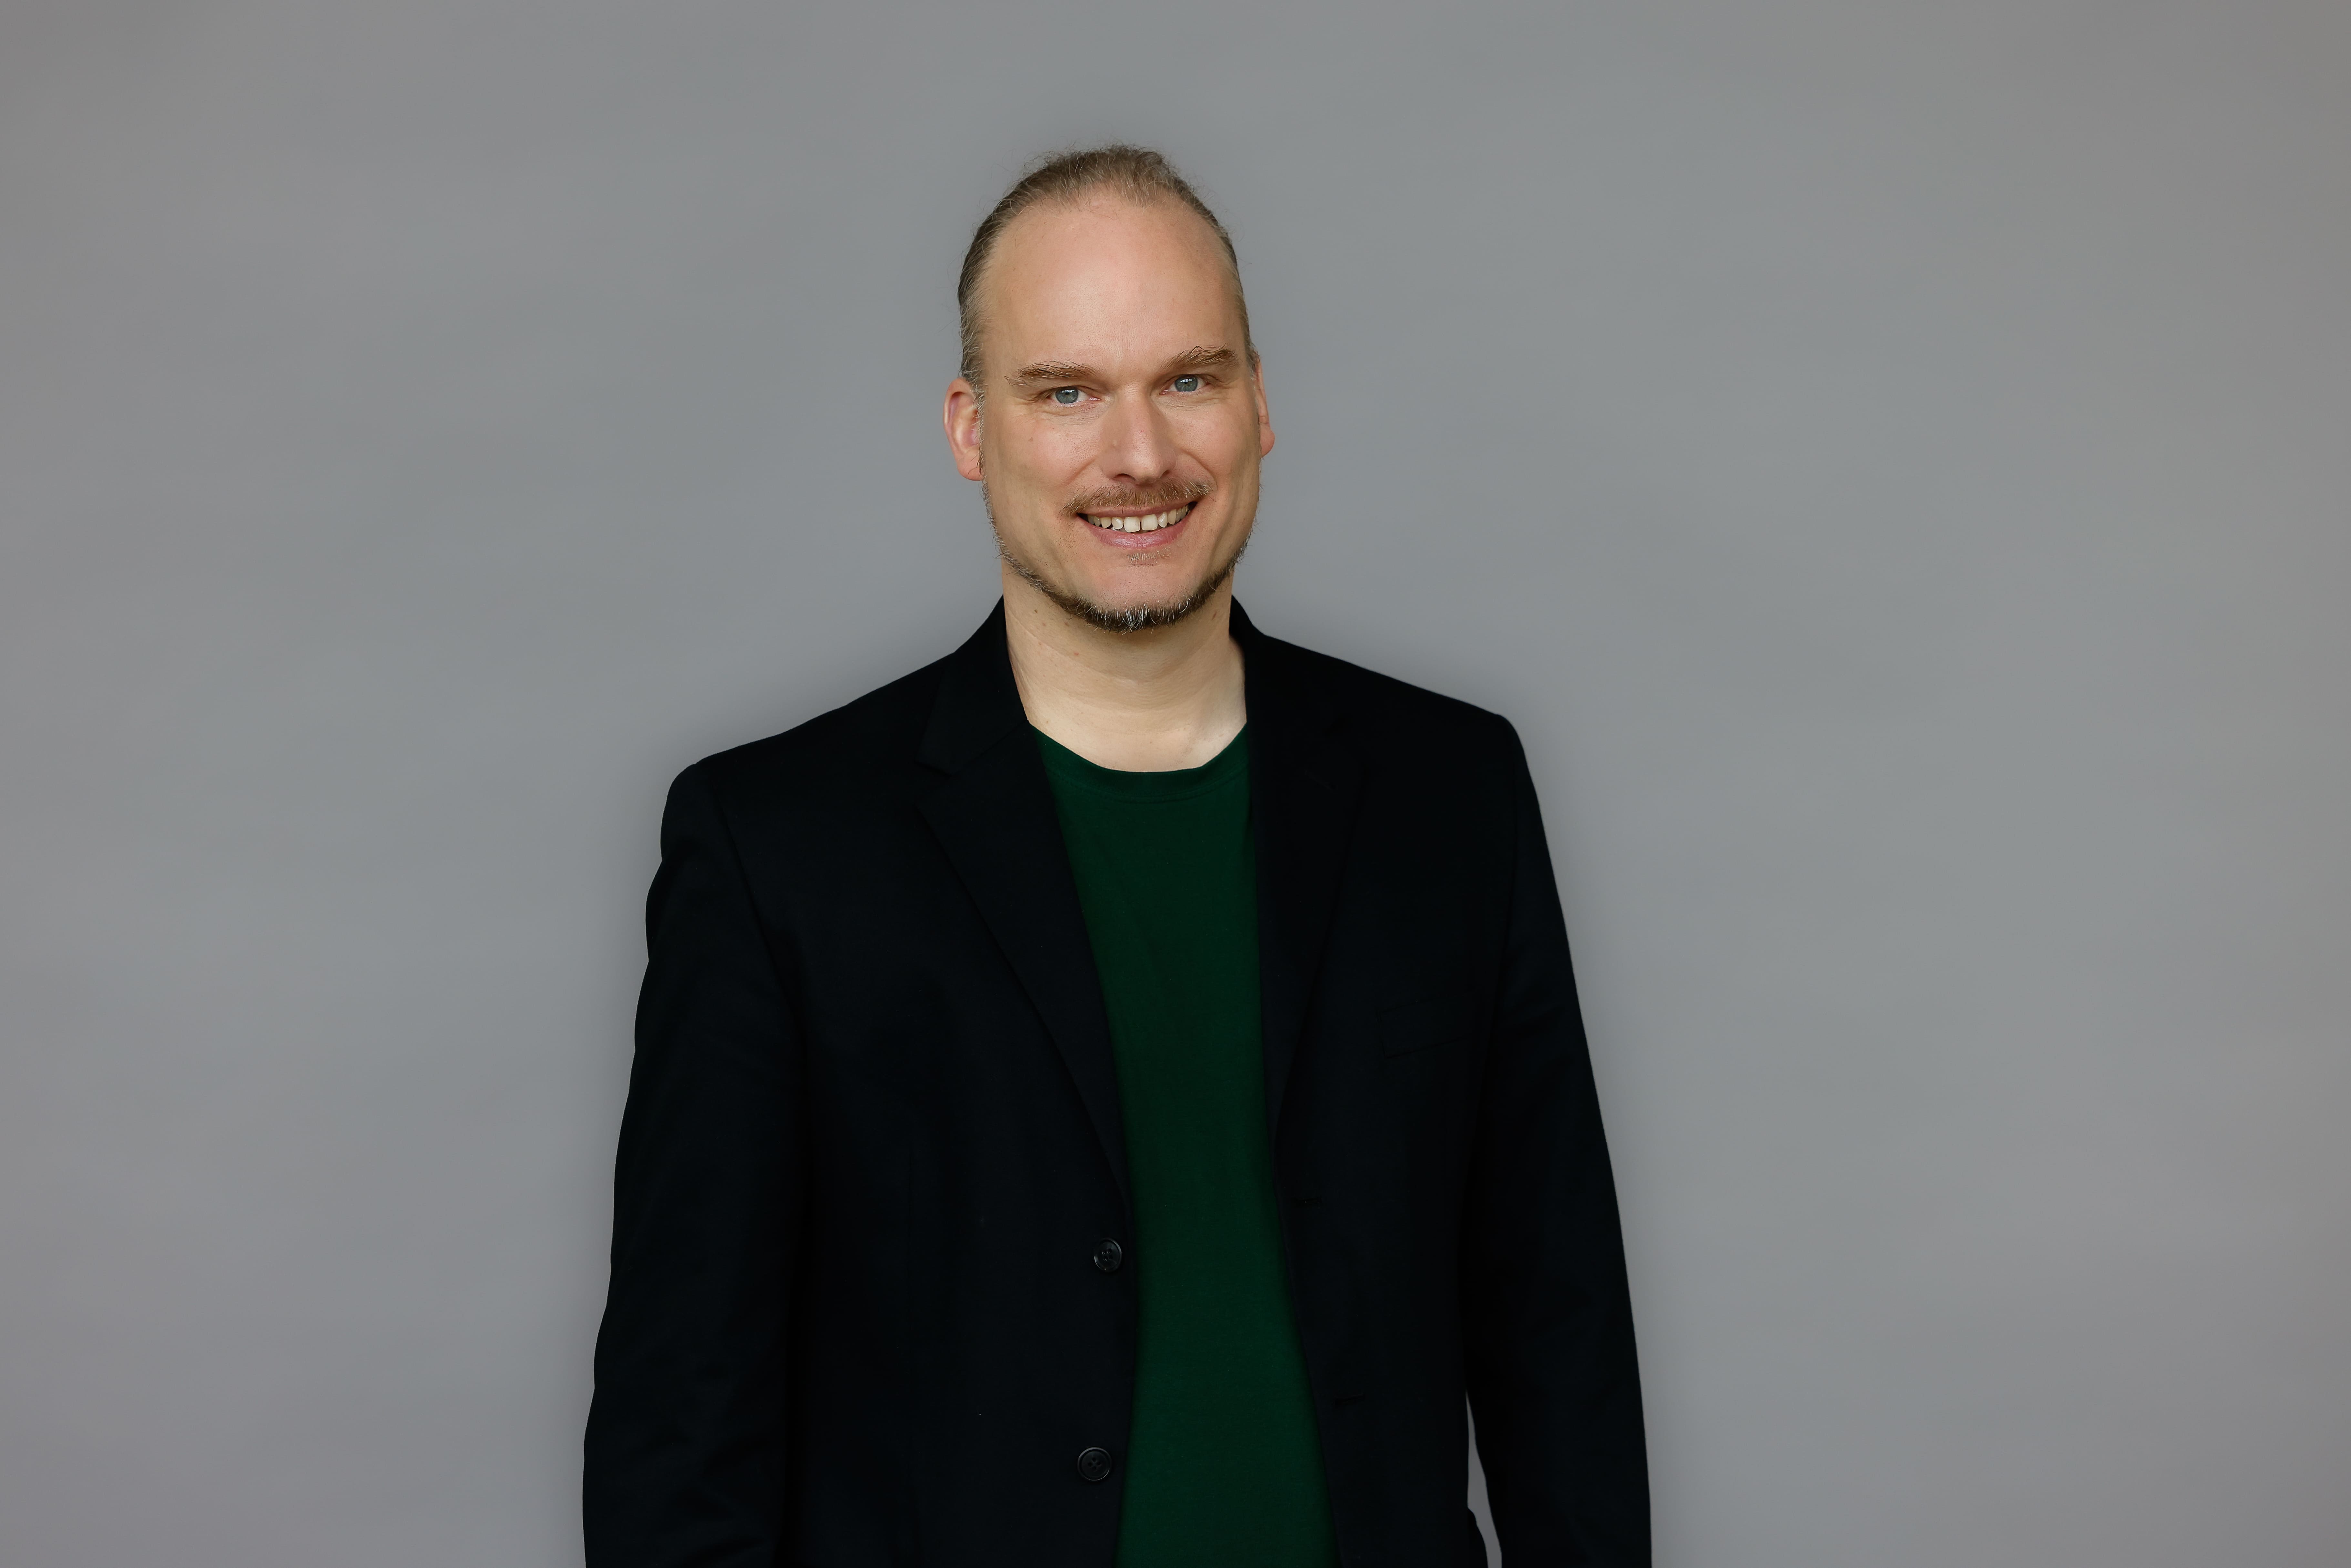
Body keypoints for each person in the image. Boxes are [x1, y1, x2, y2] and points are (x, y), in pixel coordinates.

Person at [584, 145, 1647, 1568]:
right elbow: (681, 1425)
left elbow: (1560, 1337)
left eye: (1188, 379)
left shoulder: (1452, 796)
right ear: (972, 429)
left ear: (1261, 403)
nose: (1140, 455)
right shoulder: (777, 846)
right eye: (1067, 392)